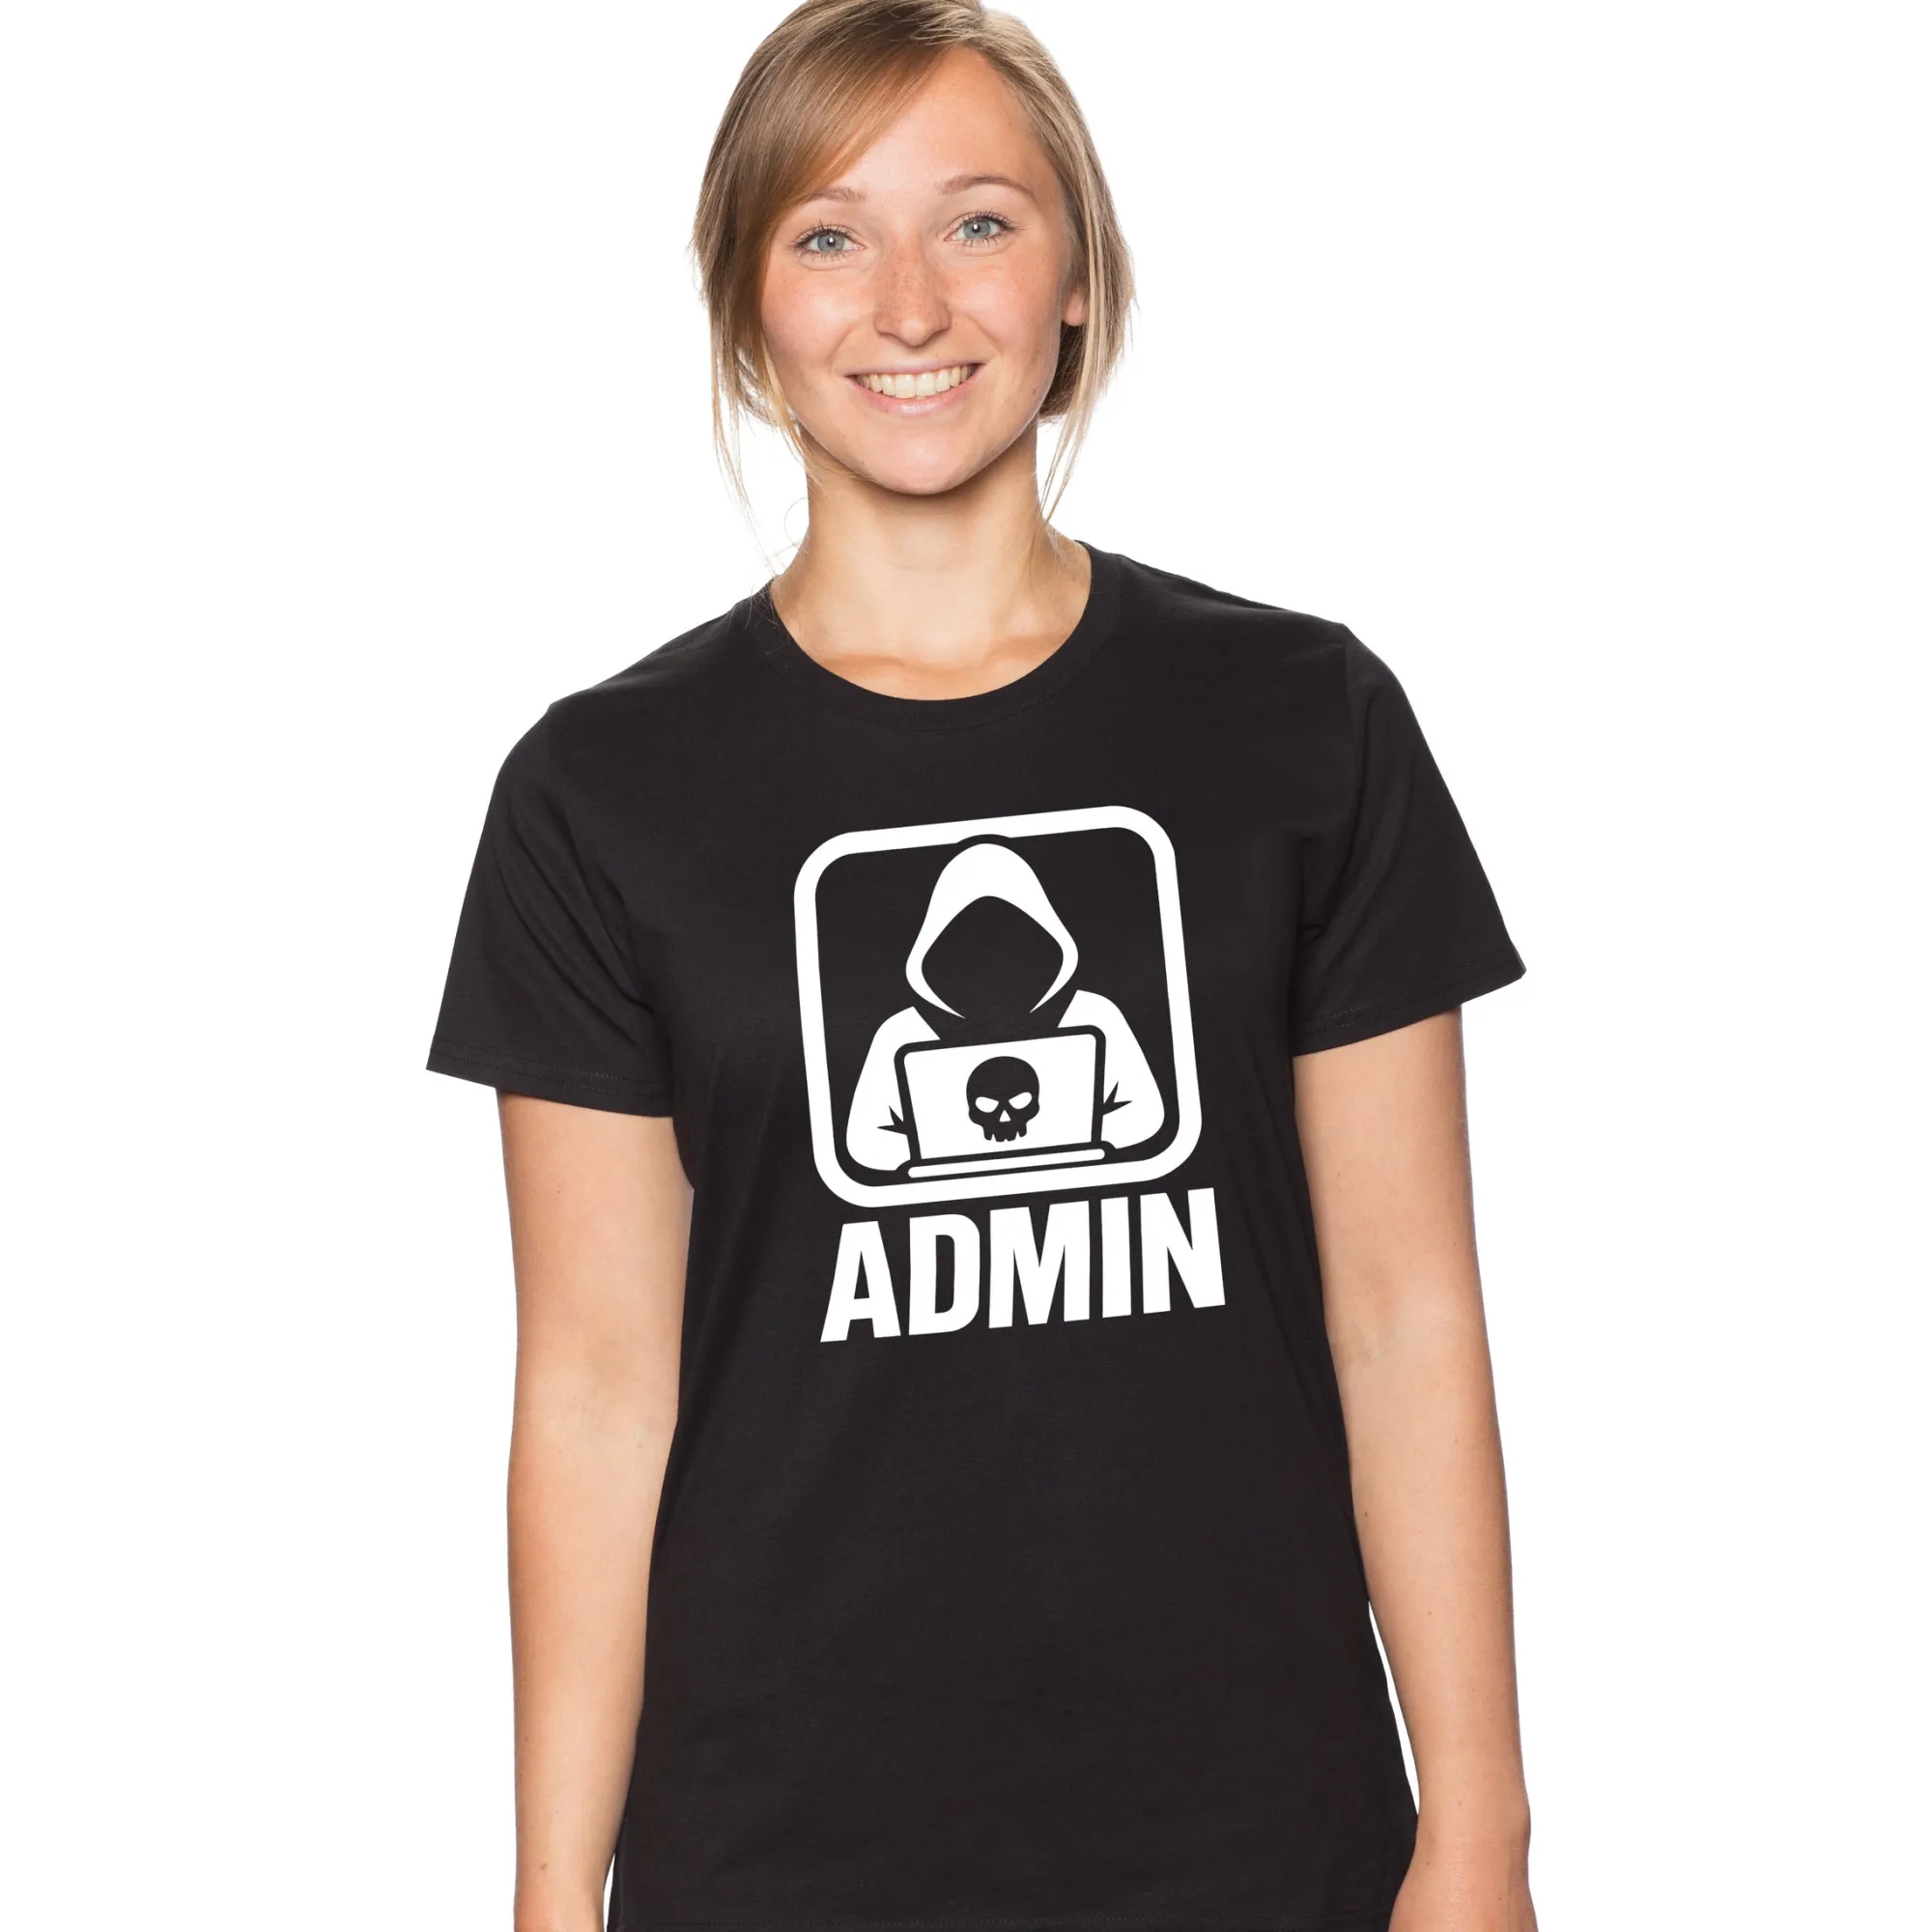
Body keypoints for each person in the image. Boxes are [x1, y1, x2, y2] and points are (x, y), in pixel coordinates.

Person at [427, 4, 1539, 1929]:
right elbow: (598, 1393)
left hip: (1258, 1834)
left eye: (979, 222)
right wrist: (546, 1895)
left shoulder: (1301, 722)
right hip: (779, 1847)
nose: (911, 307)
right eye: (829, 234)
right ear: (747, 307)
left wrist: (1481, 1834)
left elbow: (1406, 1315)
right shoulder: (603, 795)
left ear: (1077, 278)